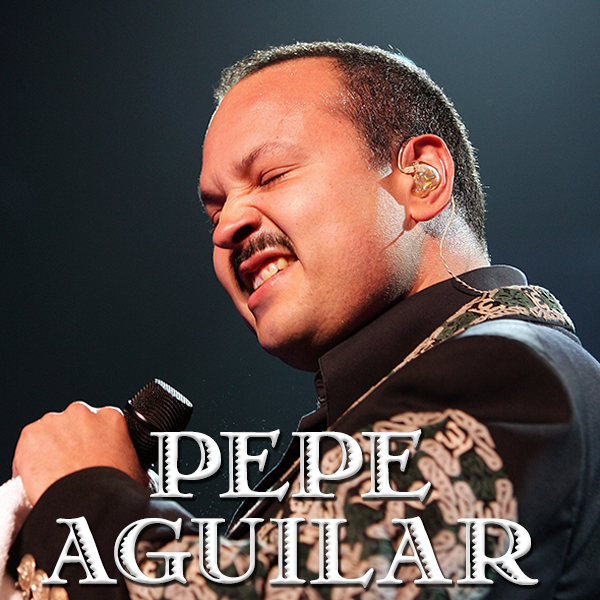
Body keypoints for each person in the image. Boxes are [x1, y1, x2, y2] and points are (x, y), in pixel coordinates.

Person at [7, 42, 600, 600]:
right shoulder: (386, 408)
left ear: (421, 180)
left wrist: (84, 495)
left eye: (271, 175)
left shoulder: (502, 372)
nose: (225, 228)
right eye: (214, 210)